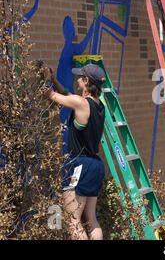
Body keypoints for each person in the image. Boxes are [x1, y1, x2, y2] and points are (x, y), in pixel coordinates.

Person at [45, 63, 106, 240]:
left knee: (73, 220)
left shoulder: (80, 103)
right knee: (91, 218)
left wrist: (45, 78)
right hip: (94, 165)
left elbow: (50, 96)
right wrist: (55, 80)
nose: (76, 80)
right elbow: (69, 97)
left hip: (80, 164)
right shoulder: (98, 104)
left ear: (86, 81)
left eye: (79, 77)